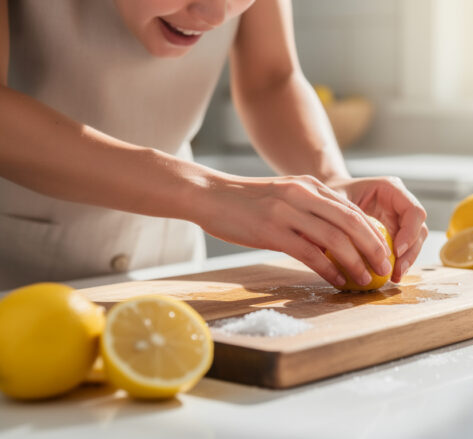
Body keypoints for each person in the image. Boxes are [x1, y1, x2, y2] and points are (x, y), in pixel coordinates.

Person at [0, 0, 428, 290]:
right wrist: (207, 193)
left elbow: (271, 80)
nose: (213, 14)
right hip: (20, 272)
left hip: (172, 260)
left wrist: (331, 179)